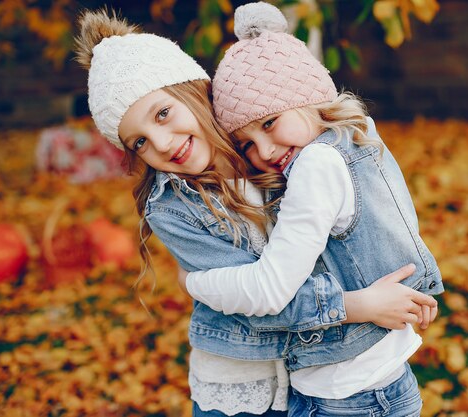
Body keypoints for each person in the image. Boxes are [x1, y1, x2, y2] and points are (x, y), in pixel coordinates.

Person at [74, 8, 438, 417]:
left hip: (317, 380)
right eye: (138, 142)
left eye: (163, 113)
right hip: (241, 387)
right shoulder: (173, 208)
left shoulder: (274, 155)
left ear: (195, 91)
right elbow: (267, 297)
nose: (160, 142)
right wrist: (357, 306)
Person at [183, 3, 445, 416]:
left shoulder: (315, 165)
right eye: (246, 143)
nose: (264, 151)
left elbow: (274, 286)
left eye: (269, 123)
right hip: (374, 381)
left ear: (309, 99)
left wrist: (198, 283)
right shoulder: (355, 139)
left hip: (347, 396)